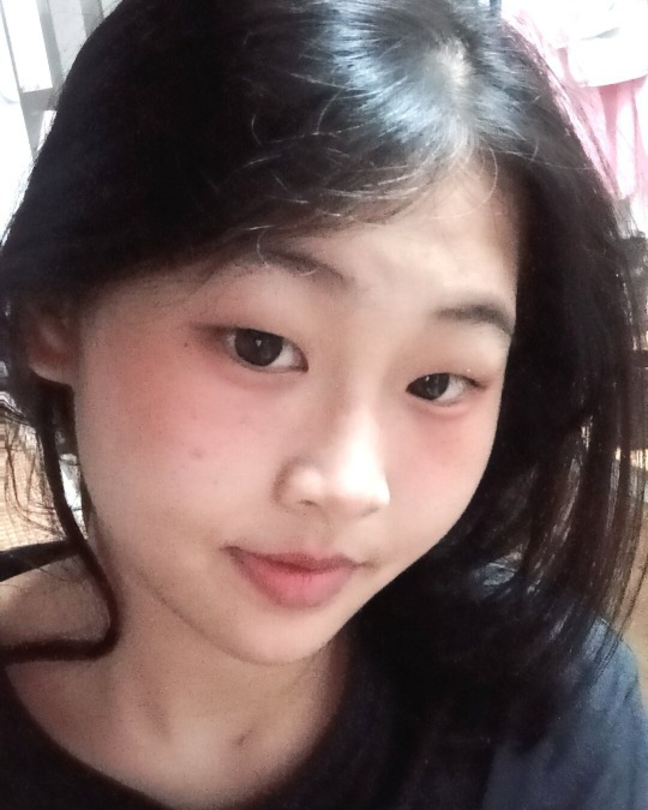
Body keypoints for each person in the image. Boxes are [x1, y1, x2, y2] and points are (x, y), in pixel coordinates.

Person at [0, 0, 646, 807]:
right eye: (259, 346)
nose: (349, 486)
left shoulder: (549, 724)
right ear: (55, 313)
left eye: (438, 383)